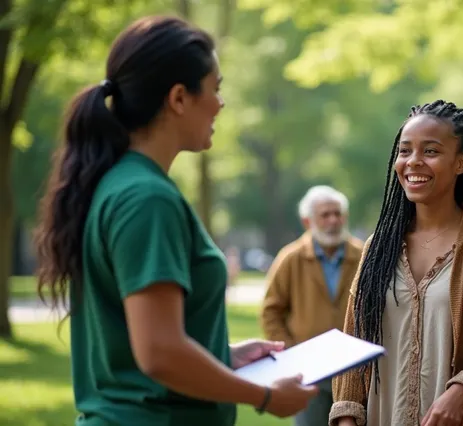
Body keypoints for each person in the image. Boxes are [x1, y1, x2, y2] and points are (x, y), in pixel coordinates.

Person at [32, 16, 317, 426]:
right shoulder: (146, 199)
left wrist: (223, 355)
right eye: (215, 89)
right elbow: (160, 353)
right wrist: (265, 394)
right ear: (179, 98)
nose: (221, 103)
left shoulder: (121, 184)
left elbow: (141, 343)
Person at [329, 100, 463, 426]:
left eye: (431, 152)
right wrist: (347, 416)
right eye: (405, 151)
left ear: (461, 163)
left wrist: (462, 390)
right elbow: (355, 342)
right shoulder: (378, 248)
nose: (413, 162)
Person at [261, 185, 364, 426]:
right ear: (308, 221)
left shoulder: (364, 254)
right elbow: (271, 311)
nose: (333, 220)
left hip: (357, 369)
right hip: (308, 372)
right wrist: (290, 354)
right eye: (325, 215)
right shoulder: (290, 258)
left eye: (338, 214)